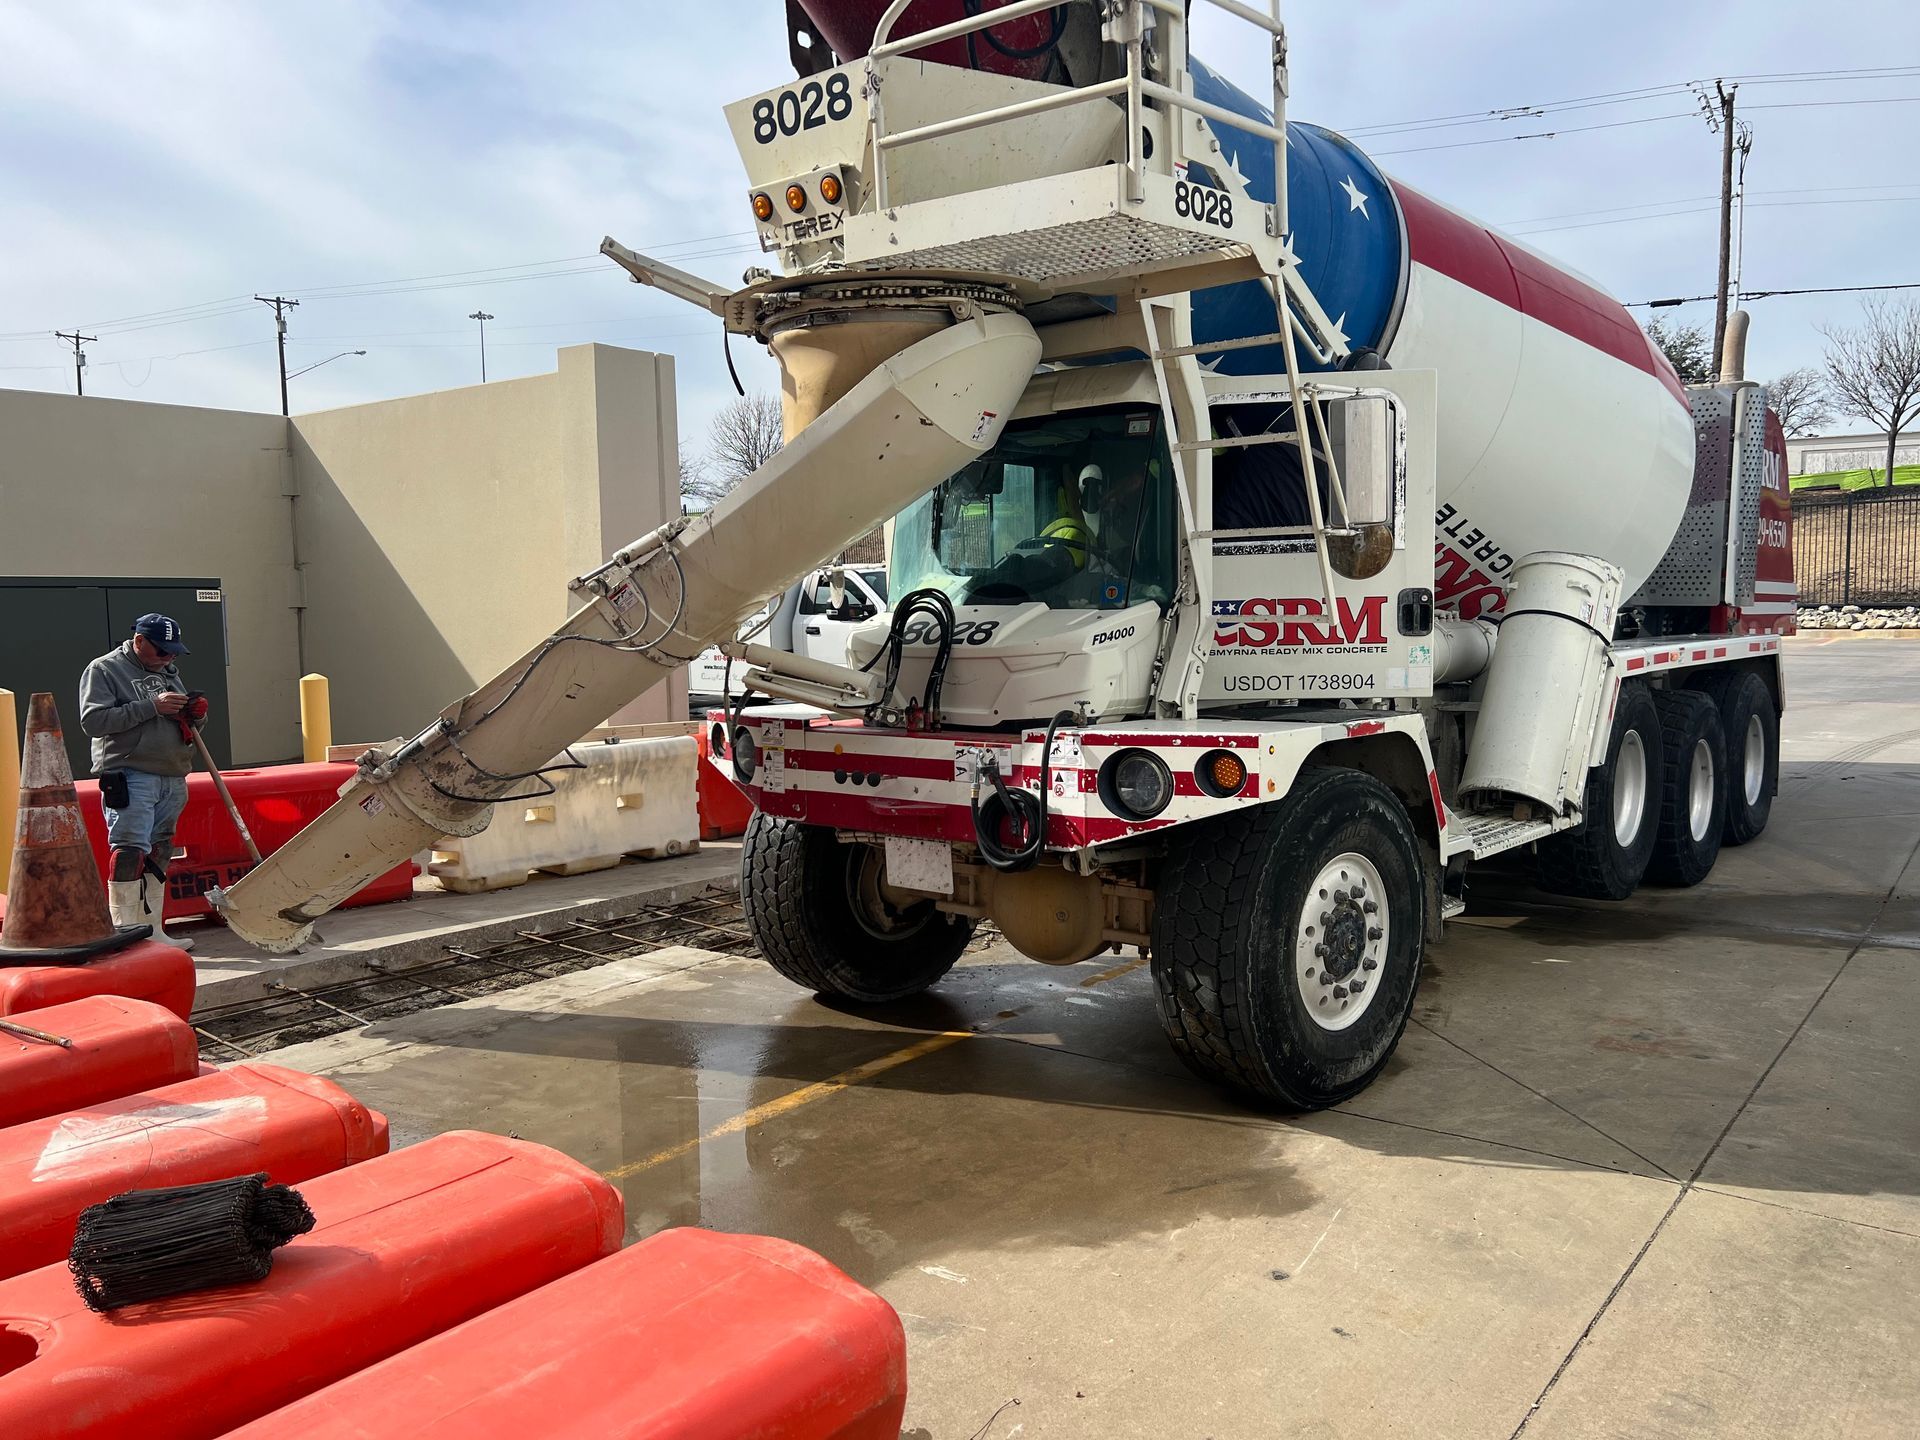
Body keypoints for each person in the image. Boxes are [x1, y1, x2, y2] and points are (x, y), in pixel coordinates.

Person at [78, 614, 204, 951]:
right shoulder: (104, 669)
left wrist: (195, 715)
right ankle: (123, 933)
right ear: (138, 642)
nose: (168, 658)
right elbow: (93, 721)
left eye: (174, 653)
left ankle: (151, 932)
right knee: (131, 846)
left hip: (171, 772)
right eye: (162, 652)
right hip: (130, 772)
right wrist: (152, 707)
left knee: (162, 846)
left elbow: (180, 727)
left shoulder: (168, 673)